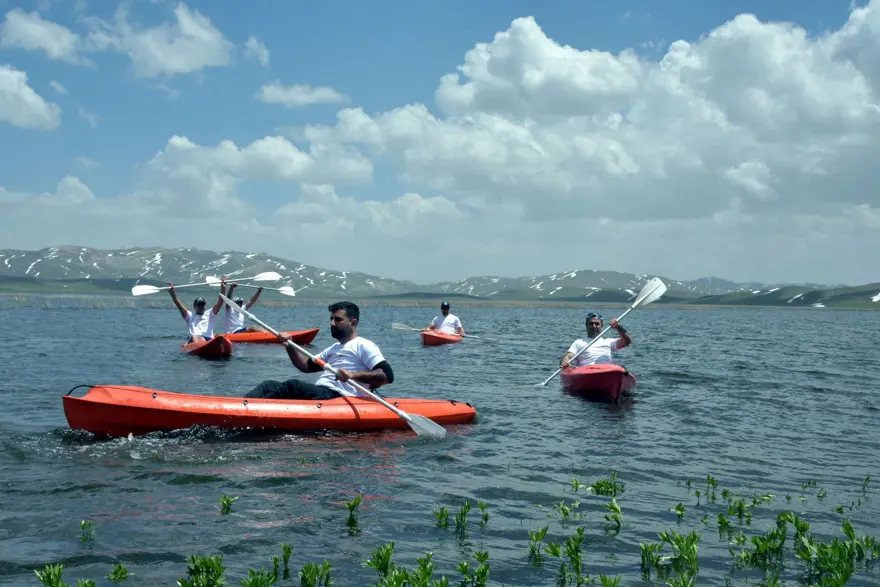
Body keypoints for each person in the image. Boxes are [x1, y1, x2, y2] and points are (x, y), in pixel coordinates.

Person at [245, 301, 394, 400]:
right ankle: (239, 405)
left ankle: (250, 412)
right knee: (268, 385)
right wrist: (290, 346)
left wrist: (352, 375)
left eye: (337, 319)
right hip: (322, 392)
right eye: (331, 319)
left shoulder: (364, 345)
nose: (332, 323)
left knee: (293, 385)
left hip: (339, 396)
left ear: (353, 322)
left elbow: (387, 375)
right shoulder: (334, 348)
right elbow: (306, 366)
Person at [559, 311, 632, 369]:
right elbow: (568, 356)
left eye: (597, 324)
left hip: (607, 370)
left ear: (601, 325)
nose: (594, 326)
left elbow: (627, 341)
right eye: (591, 323)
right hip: (586, 371)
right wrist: (565, 362)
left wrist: (618, 327)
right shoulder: (579, 342)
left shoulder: (609, 342)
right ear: (586, 325)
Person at [167, 277, 225, 343]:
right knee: (195, 337)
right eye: (199, 305)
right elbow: (179, 305)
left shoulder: (210, 313)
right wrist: (173, 294)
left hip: (208, 340)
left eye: (202, 304)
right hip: (195, 340)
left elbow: (220, 302)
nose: (201, 306)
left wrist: (223, 288)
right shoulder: (189, 316)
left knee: (217, 339)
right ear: (194, 307)